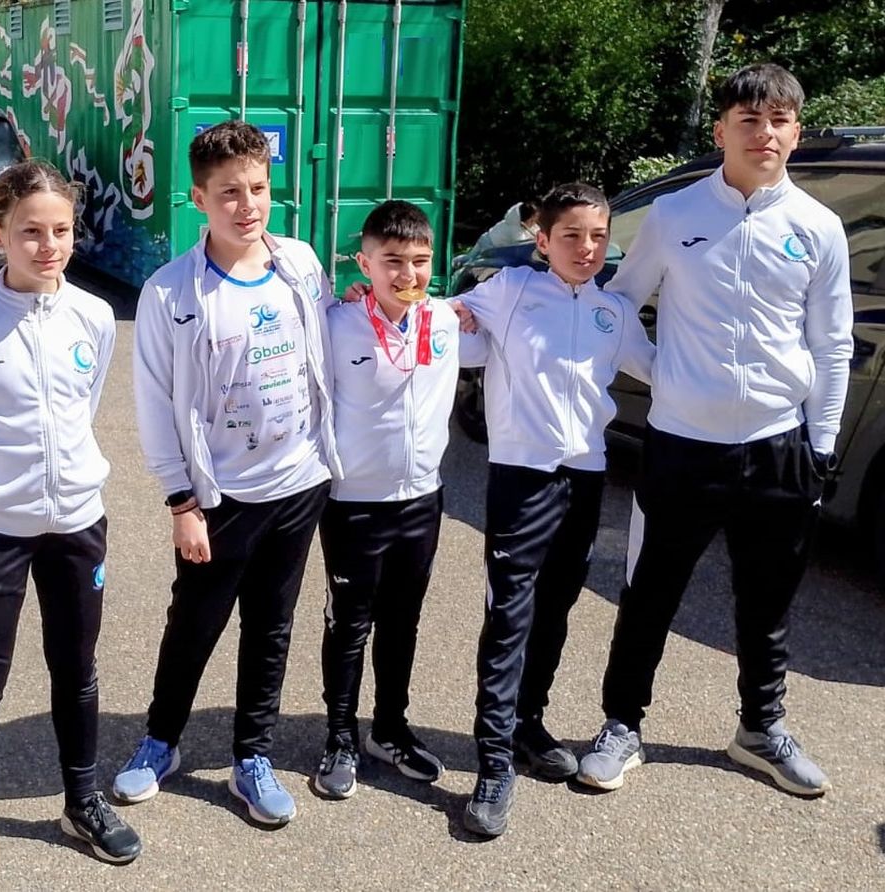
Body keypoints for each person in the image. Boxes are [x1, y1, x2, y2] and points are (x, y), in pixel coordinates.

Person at [578, 63, 853, 799]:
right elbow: (617, 305)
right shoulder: (674, 214)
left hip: (780, 447)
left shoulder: (818, 227)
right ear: (721, 129)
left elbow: (832, 345)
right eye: (749, 120)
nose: (765, 134)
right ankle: (621, 725)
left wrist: (821, 444)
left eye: (779, 121)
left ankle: (760, 731)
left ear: (796, 132)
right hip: (681, 445)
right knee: (650, 593)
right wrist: (664, 373)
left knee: (767, 602)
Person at [111, 120, 342, 827]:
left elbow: (334, 346)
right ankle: (161, 741)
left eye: (259, 189)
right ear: (199, 199)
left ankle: (252, 757)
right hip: (220, 497)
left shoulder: (300, 264)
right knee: (195, 623)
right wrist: (182, 502)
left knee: (272, 626)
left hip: (299, 483)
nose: (248, 206)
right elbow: (155, 405)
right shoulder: (169, 293)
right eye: (230, 193)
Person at [0, 160, 141, 892]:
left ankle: (82, 801)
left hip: (77, 522)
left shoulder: (94, 317)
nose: (49, 247)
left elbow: (83, 407)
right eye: (30, 233)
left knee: (76, 669)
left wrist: (61, 487)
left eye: (61, 231)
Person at [451, 182, 655, 837]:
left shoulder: (611, 311)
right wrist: (367, 303)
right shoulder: (510, 291)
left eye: (598, 236)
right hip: (521, 478)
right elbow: (433, 321)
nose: (586, 248)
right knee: (509, 618)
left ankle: (527, 724)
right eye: (571, 235)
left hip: (584, 480)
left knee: (556, 611)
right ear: (542, 240)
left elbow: (663, 372)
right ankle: (492, 763)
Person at [308, 199, 461, 801]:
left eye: (420, 260)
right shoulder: (335, 323)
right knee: (350, 624)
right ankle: (339, 736)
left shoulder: (447, 319)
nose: (408, 274)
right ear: (364, 263)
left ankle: (390, 729)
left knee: (403, 621)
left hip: (422, 498)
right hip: (355, 501)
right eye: (392, 261)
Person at [470, 197, 539, 255]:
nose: (533, 223)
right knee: (474, 260)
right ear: (523, 219)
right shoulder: (514, 227)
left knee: (471, 258)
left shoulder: (520, 223)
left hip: (488, 240)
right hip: (489, 245)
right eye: (531, 221)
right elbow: (521, 243)